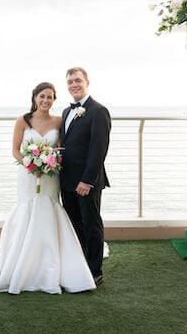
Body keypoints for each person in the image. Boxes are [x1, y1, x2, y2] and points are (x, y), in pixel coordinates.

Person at [0, 82, 96, 294]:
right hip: (28, 176)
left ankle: (51, 258)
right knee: (28, 208)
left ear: (54, 100)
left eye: (50, 97)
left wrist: (49, 163)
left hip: (50, 176)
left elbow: (62, 149)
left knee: (48, 207)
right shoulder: (23, 120)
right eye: (42, 96)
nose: (45, 100)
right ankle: (20, 258)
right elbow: (15, 150)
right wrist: (31, 165)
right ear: (35, 98)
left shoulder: (58, 121)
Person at [60, 67, 111, 287]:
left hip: (86, 182)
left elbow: (99, 149)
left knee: (91, 225)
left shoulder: (98, 111)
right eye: (70, 82)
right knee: (75, 225)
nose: (74, 85)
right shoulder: (65, 111)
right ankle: (81, 265)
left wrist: (87, 181)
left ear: (87, 82)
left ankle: (95, 271)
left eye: (78, 81)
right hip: (67, 180)